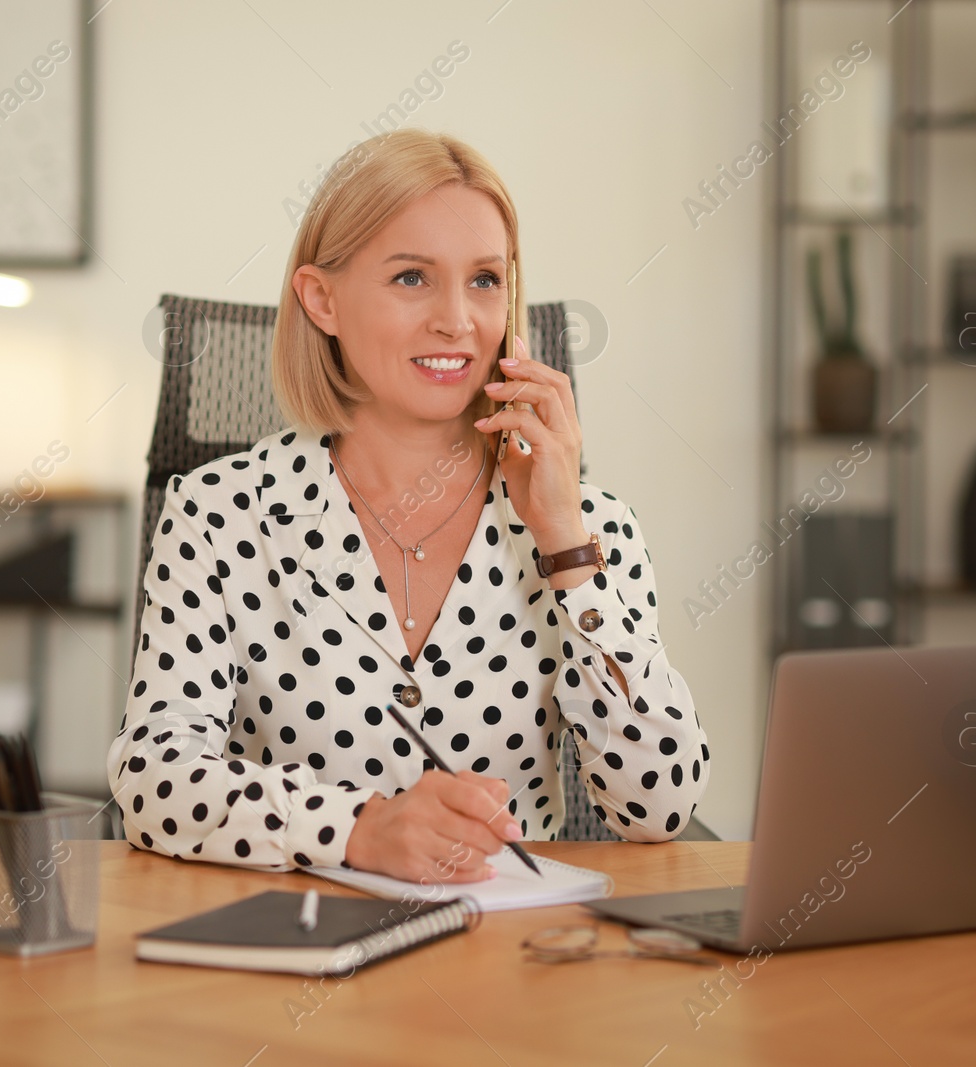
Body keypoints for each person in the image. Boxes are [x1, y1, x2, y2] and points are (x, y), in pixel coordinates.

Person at [108, 128, 709, 884]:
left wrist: (564, 544)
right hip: (294, 957)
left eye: (486, 280)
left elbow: (662, 807)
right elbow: (154, 779)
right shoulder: (217, 512)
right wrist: (359, 828)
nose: (457, 319)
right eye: (412, 278)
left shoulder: (590, 527)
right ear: (321, 299)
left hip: (513, 962)